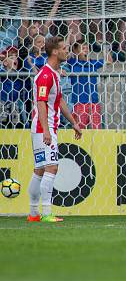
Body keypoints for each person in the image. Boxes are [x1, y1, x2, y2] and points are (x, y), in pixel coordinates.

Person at [28, 36, 83, 223]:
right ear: (54, 52)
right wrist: (46, 131)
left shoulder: (55, 73)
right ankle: (46, 212)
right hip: (44, 127)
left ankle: (34, 213)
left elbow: (58, 101)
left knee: (40, 169)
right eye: (64, 48)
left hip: (44, 127)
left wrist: (73, 121)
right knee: (52, 167)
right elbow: (41, 103)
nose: (67, 51)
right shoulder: (45, 76)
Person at [65, 40, 110, 130]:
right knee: (80, 128)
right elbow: (65, 53)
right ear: (75, 51)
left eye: (87, 48)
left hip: (94, 102)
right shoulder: (73, 62)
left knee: (97, 128)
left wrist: (104, 47)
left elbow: (109, 61)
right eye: (82, 48)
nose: (85, 50)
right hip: (80, 102)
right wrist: (69, 36)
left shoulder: (93, 63)